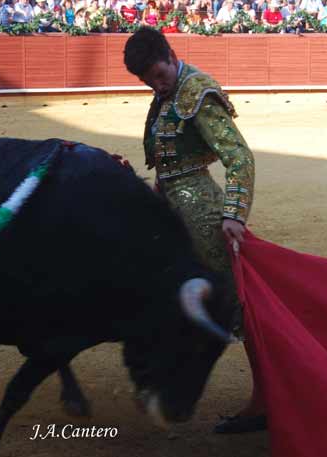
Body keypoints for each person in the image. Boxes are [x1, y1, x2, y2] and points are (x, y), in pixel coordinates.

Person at [123, 28, 262, 433]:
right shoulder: (167, 95)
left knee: (239, 307)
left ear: (170, 54)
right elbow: (167, 163)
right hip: (170, 213)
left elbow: (239, 157)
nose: (155, 84)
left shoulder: (195, 92)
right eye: (148, 80)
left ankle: (266, 399)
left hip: (205, 220)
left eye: (158, 75)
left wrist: (234, 213)